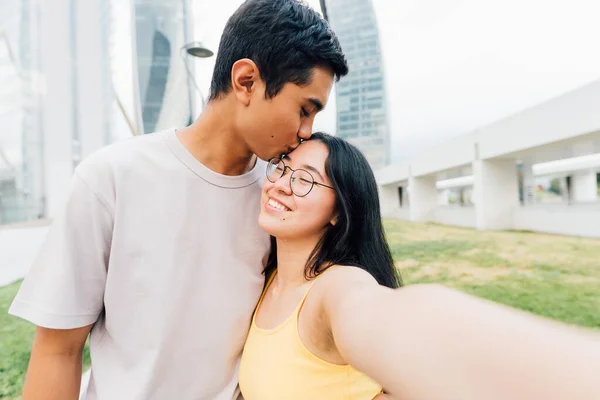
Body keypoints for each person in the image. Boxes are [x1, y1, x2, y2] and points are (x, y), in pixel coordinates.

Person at [8, 1, 348, 399]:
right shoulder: (112, 177)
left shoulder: (278, 205)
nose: (307, 131)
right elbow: (57, 350)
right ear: (246, 81)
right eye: (305, 110)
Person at [239, 132, 600, 400]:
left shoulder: (335, 290)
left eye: (304, 179)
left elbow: (400, 320)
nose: (280, 185)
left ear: (338, 212)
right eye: (282, 169)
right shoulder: (264, 280)